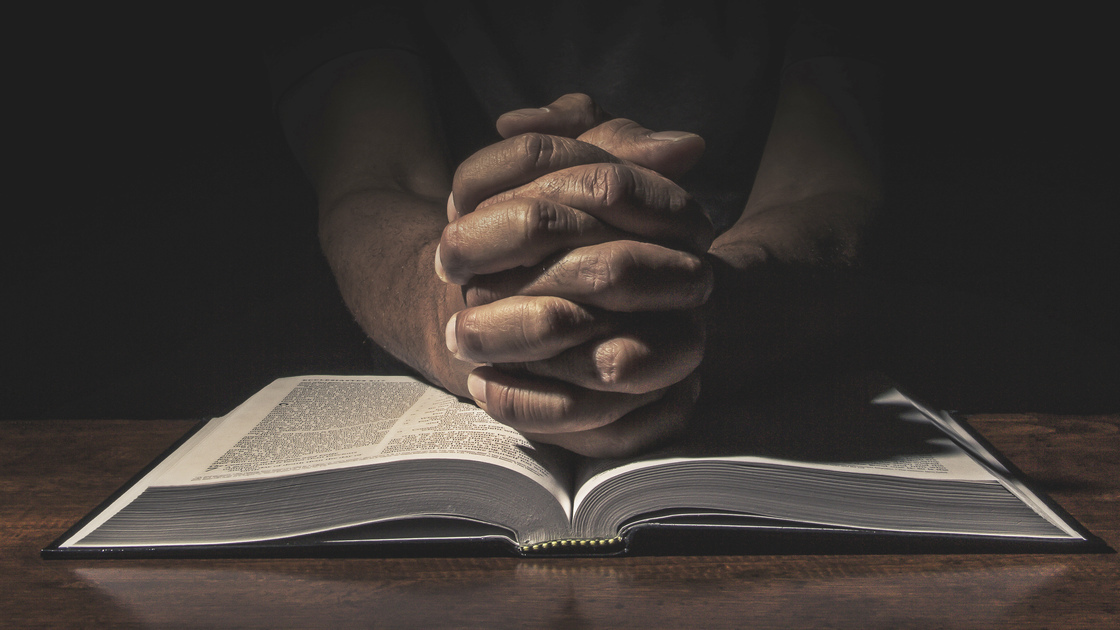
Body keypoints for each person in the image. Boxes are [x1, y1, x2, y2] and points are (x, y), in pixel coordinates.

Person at [269, 2, 883, 457]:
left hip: (770, 392)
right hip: (441, 404)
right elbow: (376, 182)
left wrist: (687, 312)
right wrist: (469, 322)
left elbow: (832, 188)